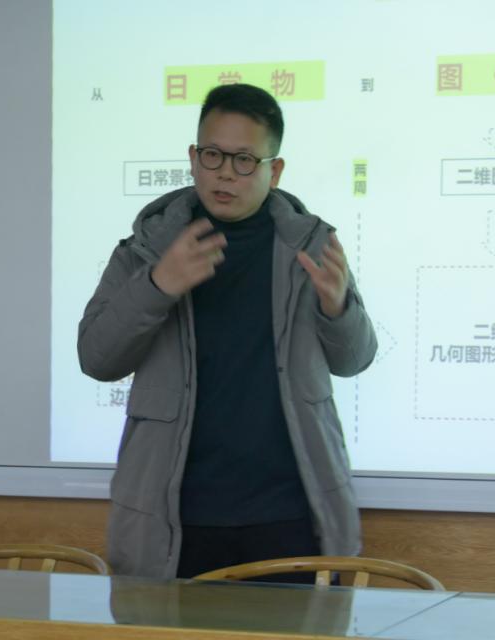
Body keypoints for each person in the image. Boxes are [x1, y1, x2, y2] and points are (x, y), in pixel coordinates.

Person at [78, 83, 377, 579]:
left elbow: (355, 359)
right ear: (193, 158)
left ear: (274, 171)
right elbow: (96, 357)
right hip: (174, 520)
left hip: (291, 515)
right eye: (212, 155)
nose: (224, 173)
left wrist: (337, 307)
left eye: (244, 160)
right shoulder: (146, 249)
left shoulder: (310, 246)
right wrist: (157, 285)